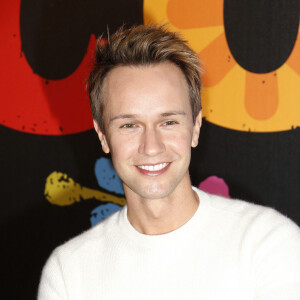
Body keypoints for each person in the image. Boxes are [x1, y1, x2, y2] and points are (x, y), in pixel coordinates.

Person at [38, 24, 300, 299]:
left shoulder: (268, 243)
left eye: (169, 122)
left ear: (196, 126)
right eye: (129, 125)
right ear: (103, 135)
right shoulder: (69, 272)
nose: (152, 147)